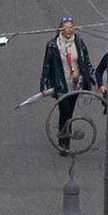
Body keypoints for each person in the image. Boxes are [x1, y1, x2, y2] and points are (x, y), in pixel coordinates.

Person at [40, 15, 95, 153]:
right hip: (61, 83)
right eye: (67, 28)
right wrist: (44, 84)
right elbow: (47, 65)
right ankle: (63, 142)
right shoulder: (53, 45)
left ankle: (66, 139)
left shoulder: (79, 42)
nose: (70, 30)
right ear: (61, 29)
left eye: (71, 27)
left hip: (75, 83)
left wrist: (92, 78)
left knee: (70, 112)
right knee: (63, 111)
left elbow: (86, 61)